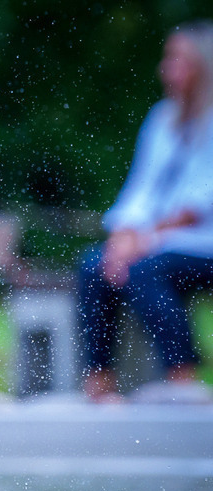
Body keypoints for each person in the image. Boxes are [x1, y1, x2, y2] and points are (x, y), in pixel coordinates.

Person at [79, 21, 213, 403]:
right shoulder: (161, 120)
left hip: (201, 244)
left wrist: (142, 240)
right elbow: (139, 191)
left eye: (178, 60)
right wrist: (122, 238)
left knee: (146, 269)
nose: (166, 69)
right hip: (156, 241)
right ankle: (100, 382)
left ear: (203, 67)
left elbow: (198, 204)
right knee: (93, 266)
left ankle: (182, 377)